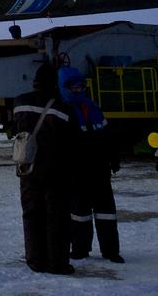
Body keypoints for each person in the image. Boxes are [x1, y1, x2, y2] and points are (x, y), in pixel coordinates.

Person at [13, 62, 78, 275]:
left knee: (31, 215)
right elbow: (73, 140)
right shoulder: (63, 109)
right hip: (56, 171)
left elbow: (17, 130)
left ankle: (35, 260)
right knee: (57, 217)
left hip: (28, 168)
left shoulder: (20, 102)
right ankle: (57, 263)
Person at [58, 66, 123, 263]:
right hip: (77, 170)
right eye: (73, 87)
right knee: (79, 213)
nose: (78, 90)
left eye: (80, 87)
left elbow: (107, 135)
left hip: (100, 168)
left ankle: (111, 250)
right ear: (64, 87)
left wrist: (113, 157)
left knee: (106, 213)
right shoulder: (63, 110)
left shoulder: (92, 107)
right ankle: (80, 248)